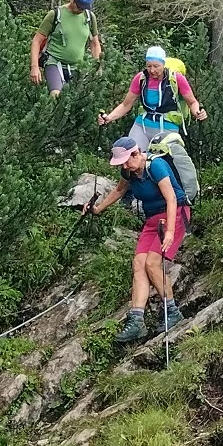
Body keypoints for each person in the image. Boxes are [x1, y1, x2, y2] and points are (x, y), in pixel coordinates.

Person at [85, 137, 189, 344]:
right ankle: (136, 321)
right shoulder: (128, 171)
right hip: (152, 220)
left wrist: (169, 232)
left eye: (126, 160)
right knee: (139, 264)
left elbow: (171, 199)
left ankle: (172, 312)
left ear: (137, 153)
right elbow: (119, 190)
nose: (124, 166)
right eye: (121, 162)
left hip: (175, 214)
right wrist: (97, 209)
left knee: (152, 263)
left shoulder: (156, 166)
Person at [99, 45, 207, 138]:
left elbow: (192, 102)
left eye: (156, 66)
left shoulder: (176, 78)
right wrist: (109, 118)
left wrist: (198, 113)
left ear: (163, 65)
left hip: (168, 125)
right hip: (143, 124)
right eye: (149, 66)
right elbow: (125, 105)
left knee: (161, 160)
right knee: (132, 156)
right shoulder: (141, 78)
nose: (152, 70)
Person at [30, 0, 102, 95]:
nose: (81, 10)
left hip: (77, 66)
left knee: (73, 102)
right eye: (79, 7)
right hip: (54, 61)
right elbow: (37, 41)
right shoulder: (55, 14)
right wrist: (34, 67)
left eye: (84, 8)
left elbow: (95, 44)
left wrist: (96, 66)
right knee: (56, 95)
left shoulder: (89, 17)